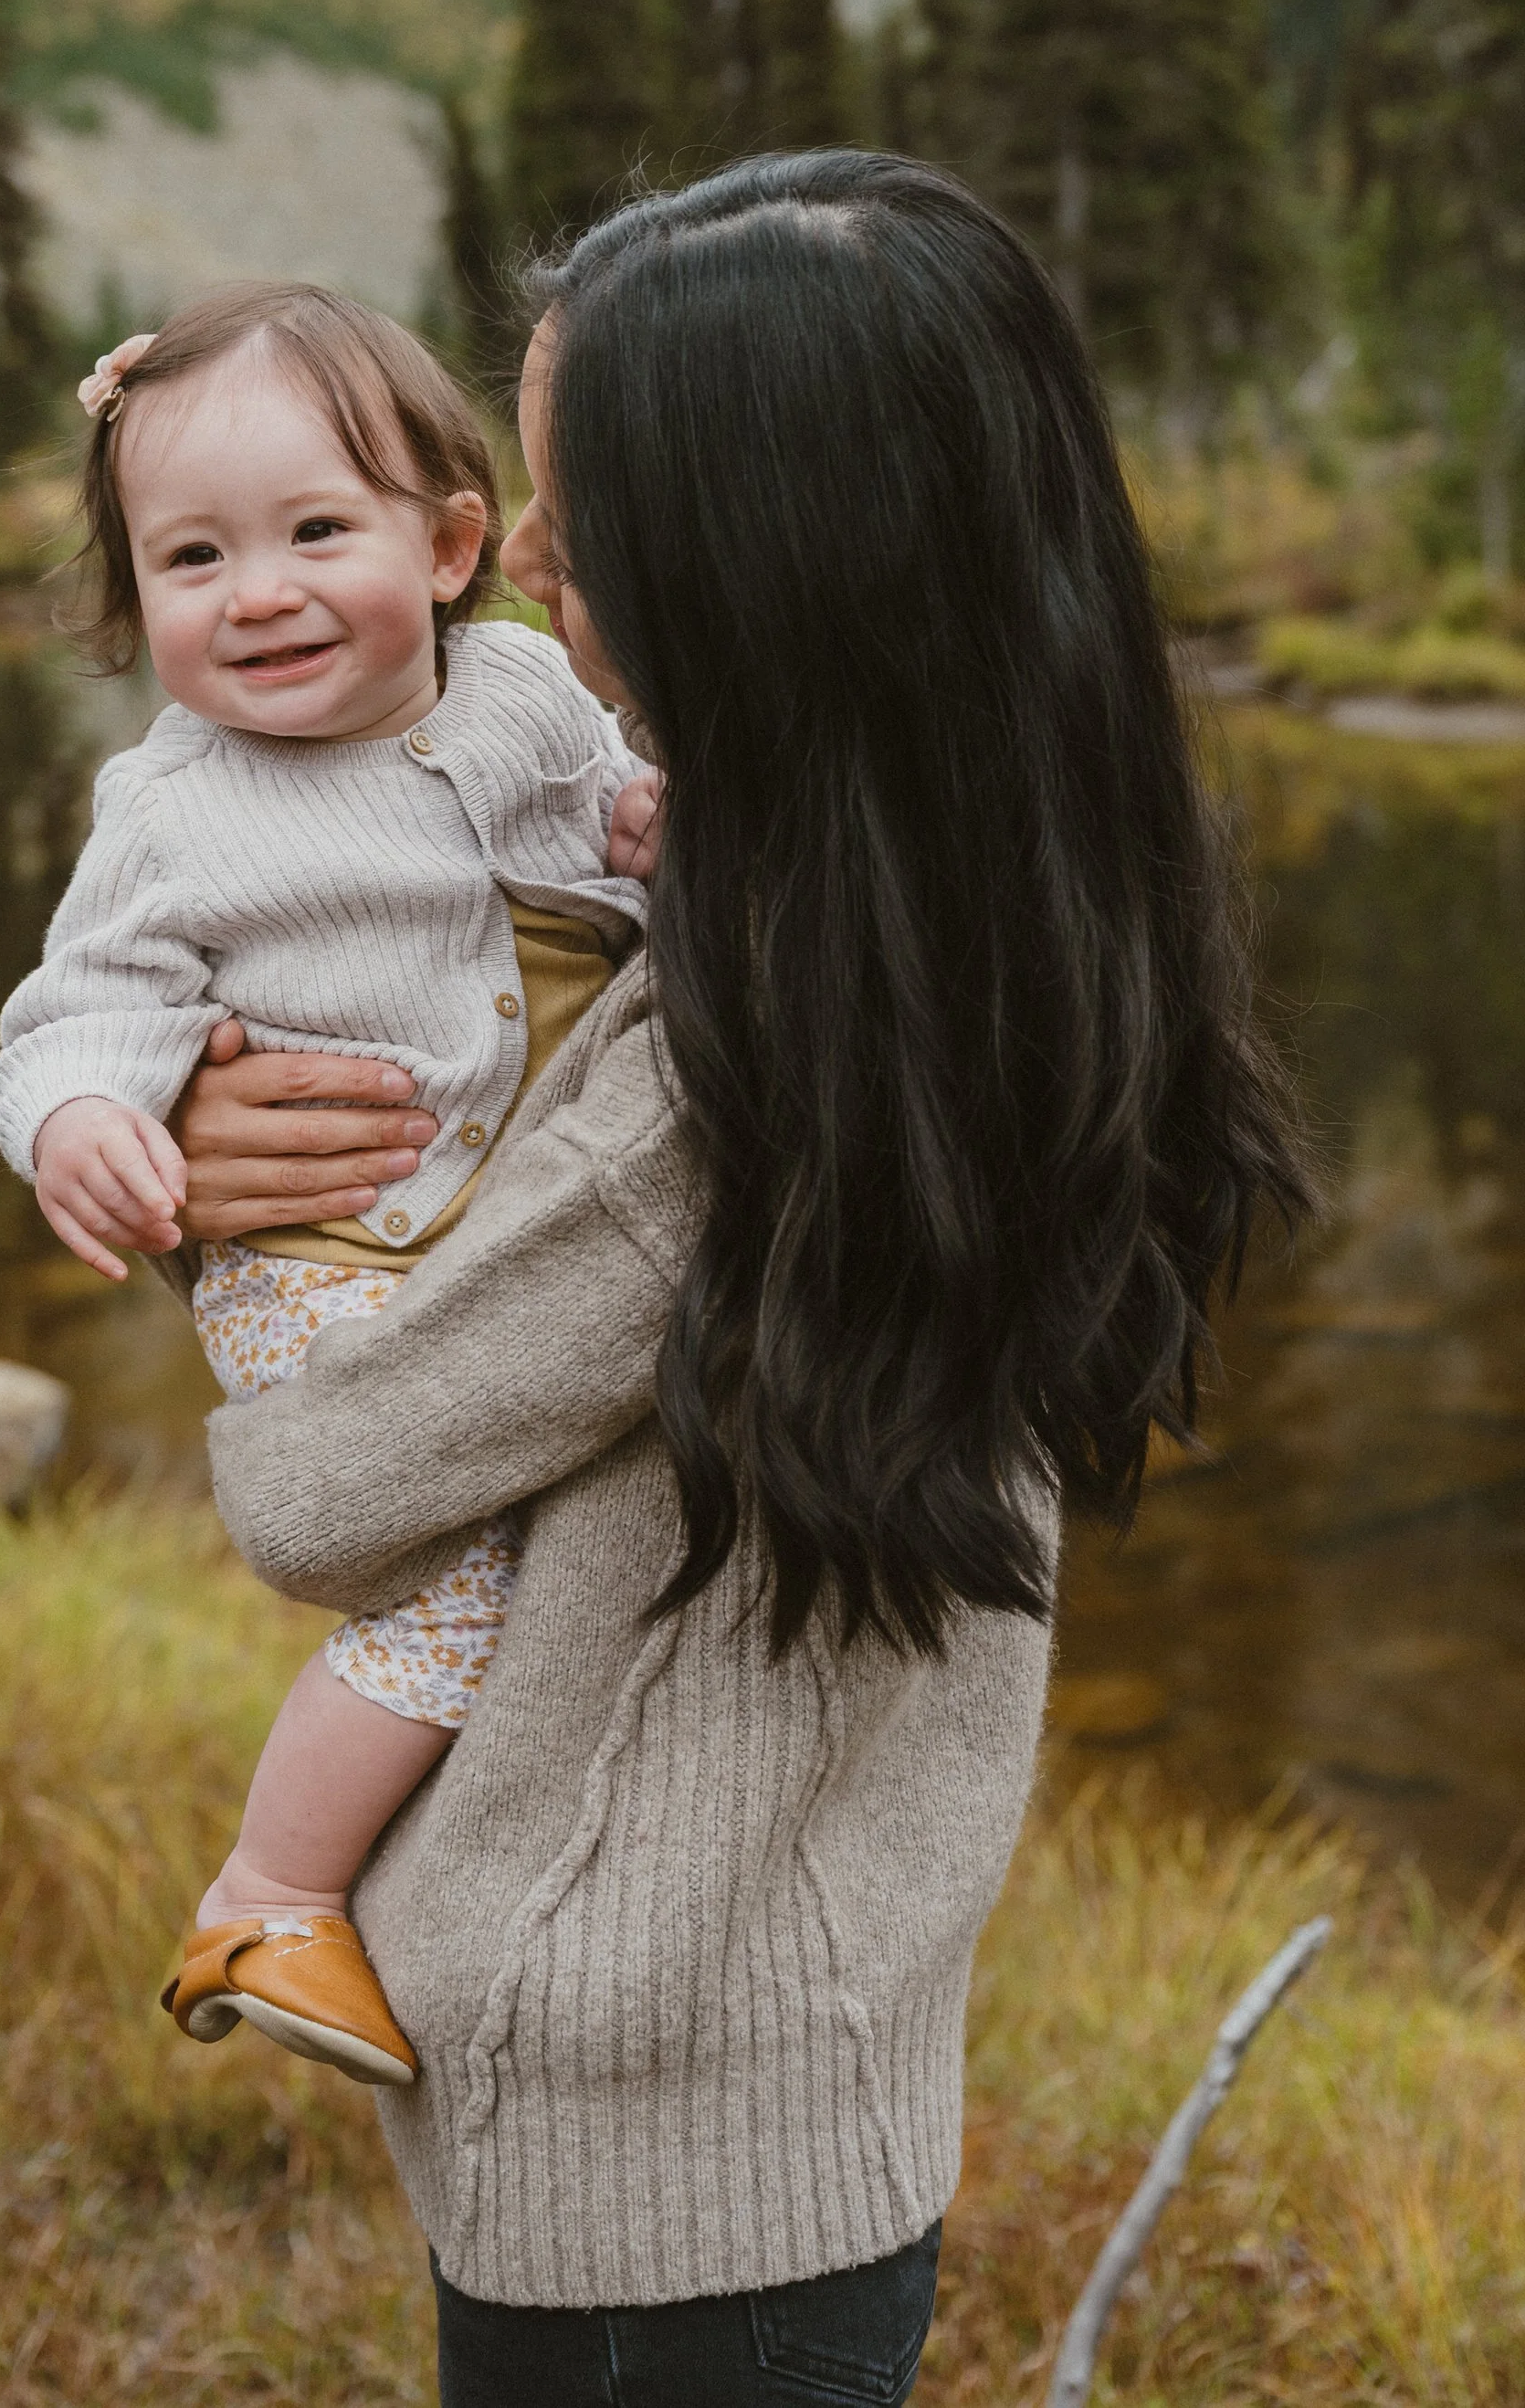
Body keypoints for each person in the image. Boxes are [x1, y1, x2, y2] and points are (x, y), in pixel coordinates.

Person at [181, 153, 1313, 2405]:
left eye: (580, 544)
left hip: (627, 2124)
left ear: (758, 583)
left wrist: (243, 1221)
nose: (527, 581)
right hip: (817, 2058)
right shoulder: (1007, 940)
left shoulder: (719, 1090)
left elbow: (324, 1492)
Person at [0, 282, 661, 2088]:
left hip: (487, 1227)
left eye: (311, 531)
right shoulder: (171, 811)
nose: (257, 589)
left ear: (450, 545)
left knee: (529, 1534)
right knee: (452, 1587)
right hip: (318, 1258)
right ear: (135, 606)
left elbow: (608, 813)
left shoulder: (522, 686)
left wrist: (656, 820)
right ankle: (272, 1891)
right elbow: (68, 1016)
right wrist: (83, 1123)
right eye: (190, 557)